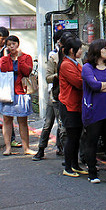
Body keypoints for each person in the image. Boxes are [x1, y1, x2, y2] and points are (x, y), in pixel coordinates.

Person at [80, 39, 106, 183]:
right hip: (93, 110)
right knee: (91, 141)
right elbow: (93, 85)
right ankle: (92, 172)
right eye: (104, 48)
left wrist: (103, 86)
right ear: (97, 50)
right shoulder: (87, 67)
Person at [33, 29, 68, 161]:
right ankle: (41, 149)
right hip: (54, 94)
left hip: (64, 94)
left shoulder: (73, 56)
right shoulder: (54, 56)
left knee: (62, 124)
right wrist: (59, 75)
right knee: (49, 122)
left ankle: (61, 149)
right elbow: (48, 77)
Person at [0, 35, 34, 155]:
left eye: (13, 44)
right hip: (7, 92)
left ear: (18, 44)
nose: (11, 47)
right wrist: (6, 57)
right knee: (7, 119)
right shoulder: (4, 59)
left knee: (22, 120)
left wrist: (19, 59)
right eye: (9, 45)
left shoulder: (27, 57)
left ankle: (26, 148)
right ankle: (8, 147)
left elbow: (26, 71)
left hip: (21, 92)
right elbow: (3, 69)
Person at [58, 35, 86, 177]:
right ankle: (68, 167)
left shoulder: (75, 63)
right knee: (71, 137)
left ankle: (75, 165)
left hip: (76, 105)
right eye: (79, 48)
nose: (81, 51)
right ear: (71, 50)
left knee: (76, 136)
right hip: (69, 105)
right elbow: (78, 82)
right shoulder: (66, 65)